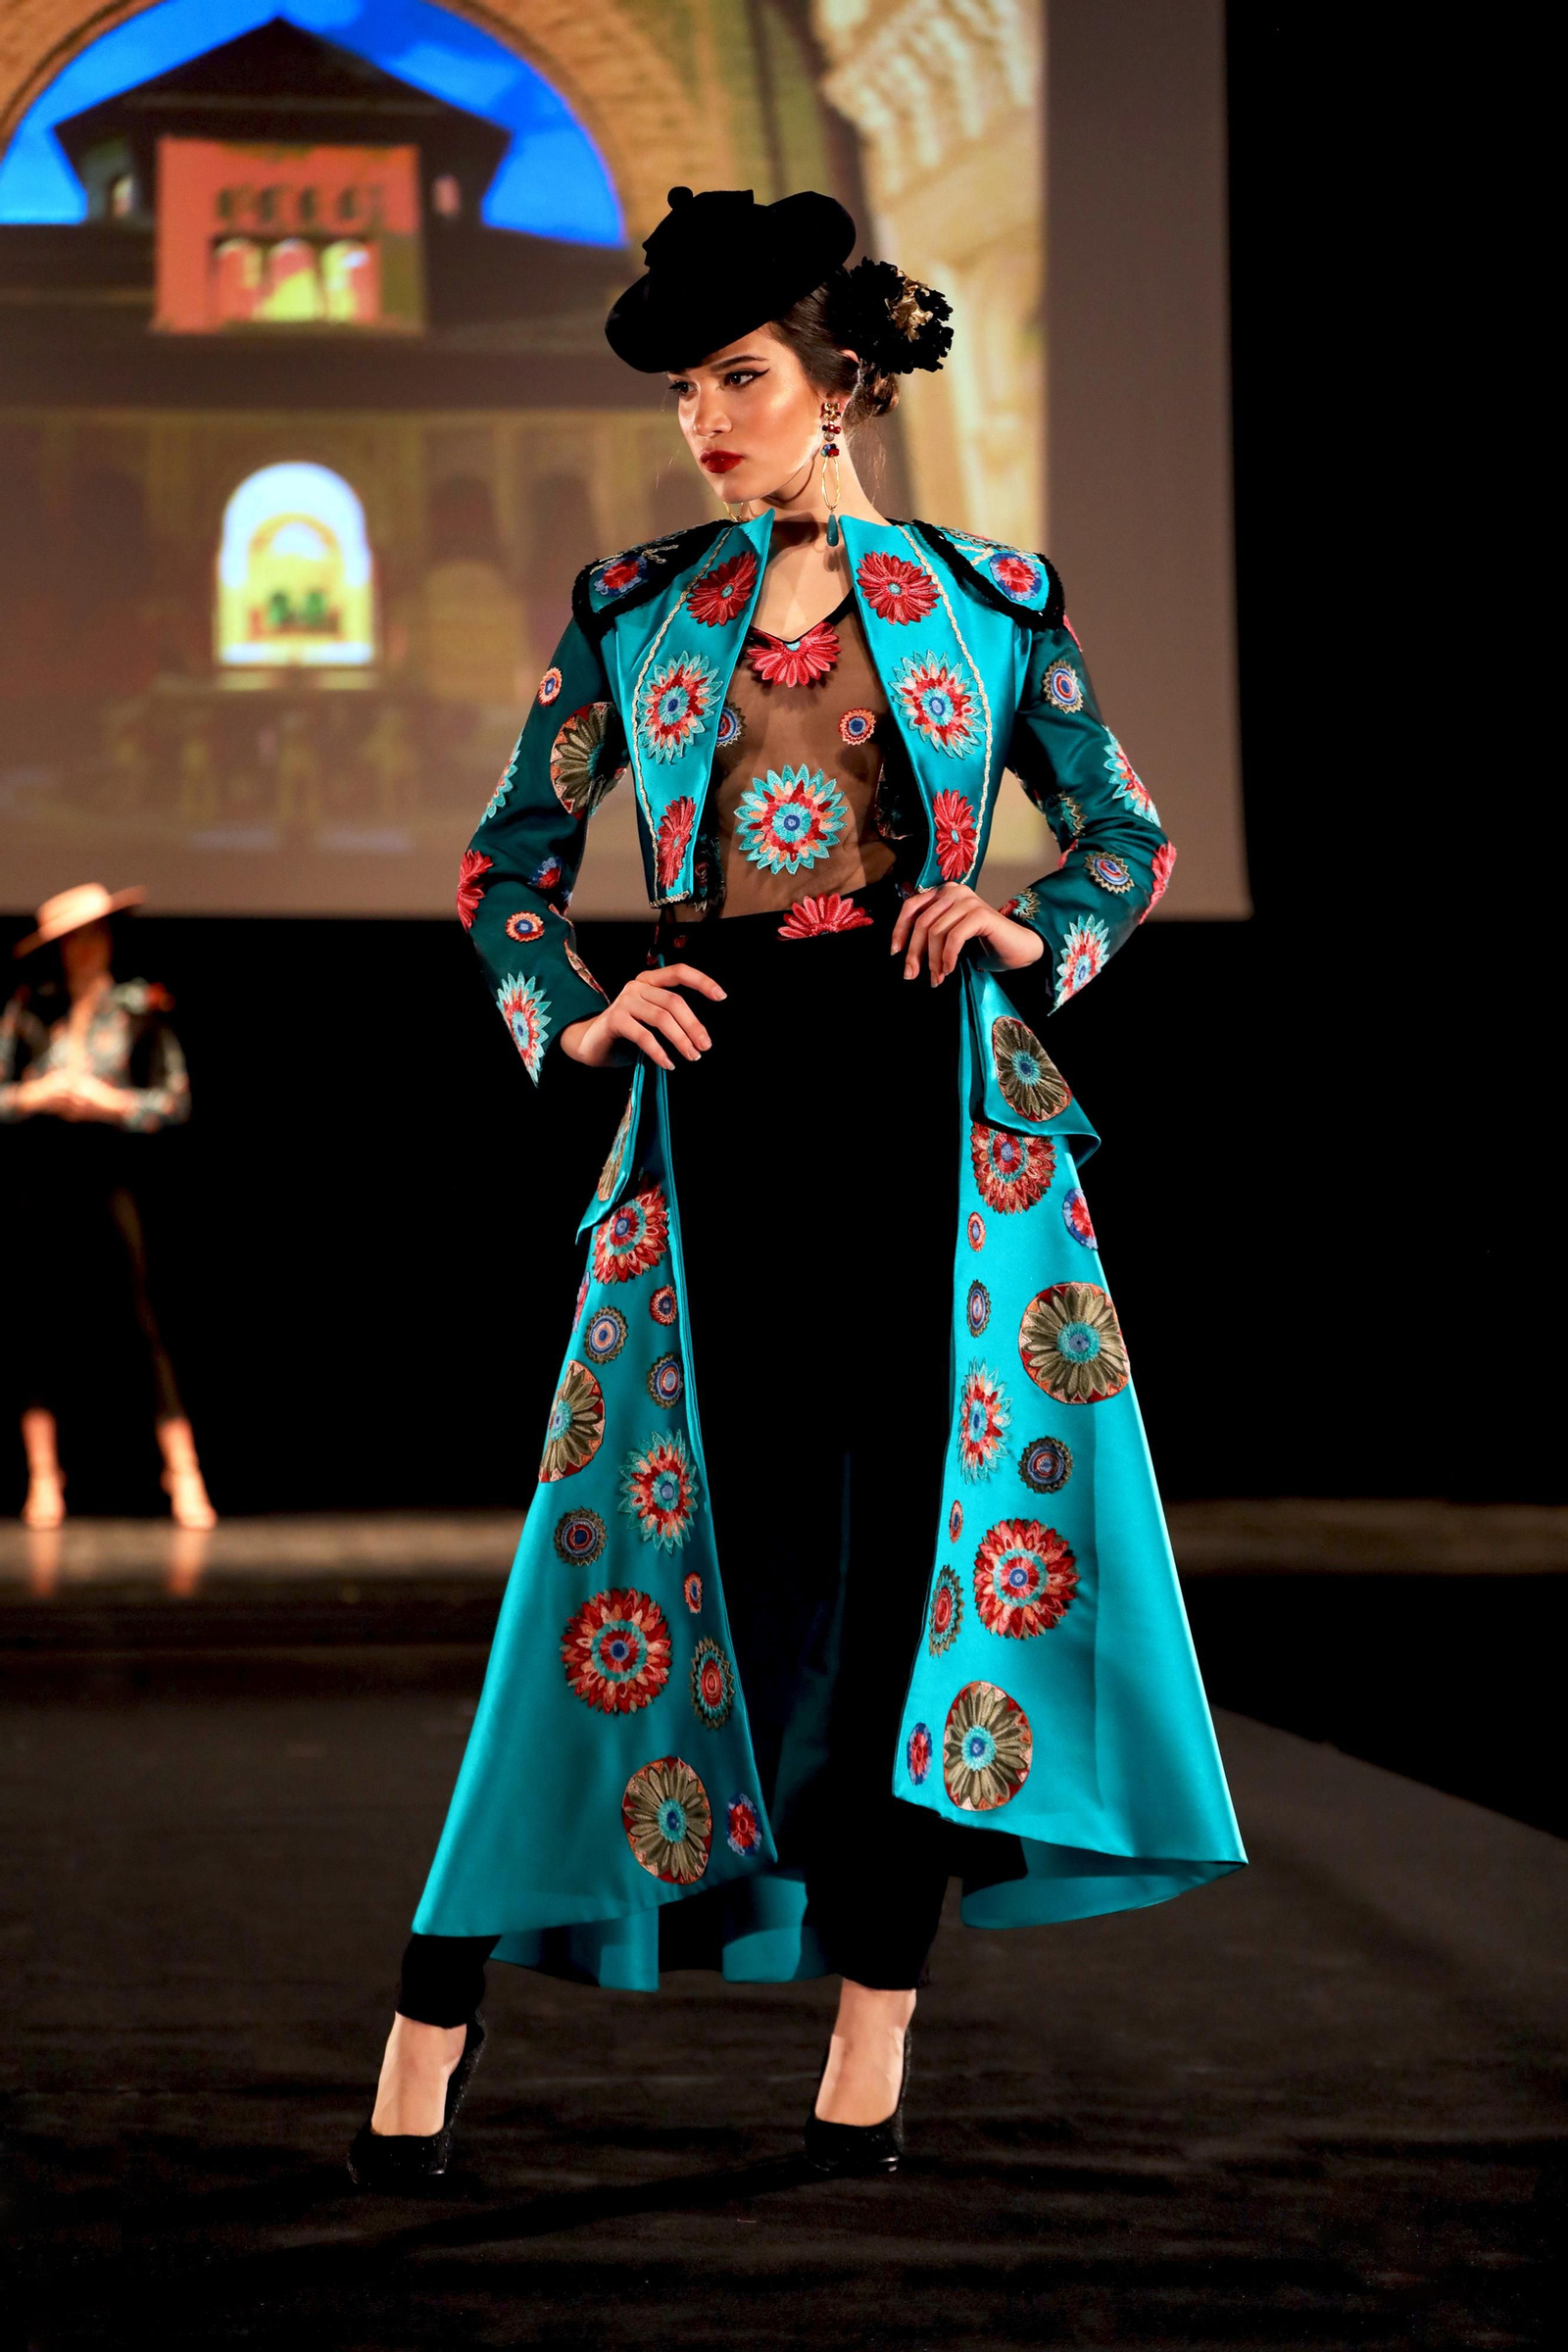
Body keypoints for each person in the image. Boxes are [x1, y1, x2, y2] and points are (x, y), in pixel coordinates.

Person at [349, 187, 1244, 2189]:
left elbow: (1123, 835)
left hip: (936, 1125)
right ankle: (425, 2019)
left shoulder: (993, 598)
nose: (706, 421)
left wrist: (1028, 932)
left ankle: (868, 2037)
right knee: (628, 1567)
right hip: (714, 1112)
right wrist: (569, 1011)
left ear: (843, 386)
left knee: (922, 1584)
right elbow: (507, 859)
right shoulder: (630, 601)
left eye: (739, 381)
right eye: (686, 391)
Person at [1, 883, 214, 1531]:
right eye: (71, 941)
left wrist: (109, 1103)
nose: (84, 950)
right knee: (37, 1329)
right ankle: (44, 1476)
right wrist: (42, 1096)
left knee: (141, 1324)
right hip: (43, 1180)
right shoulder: (31, 1010)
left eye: (93, 936)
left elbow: (173, 1101)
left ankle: (183, 1473)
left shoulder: (138, 1008)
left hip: (111, 1177)